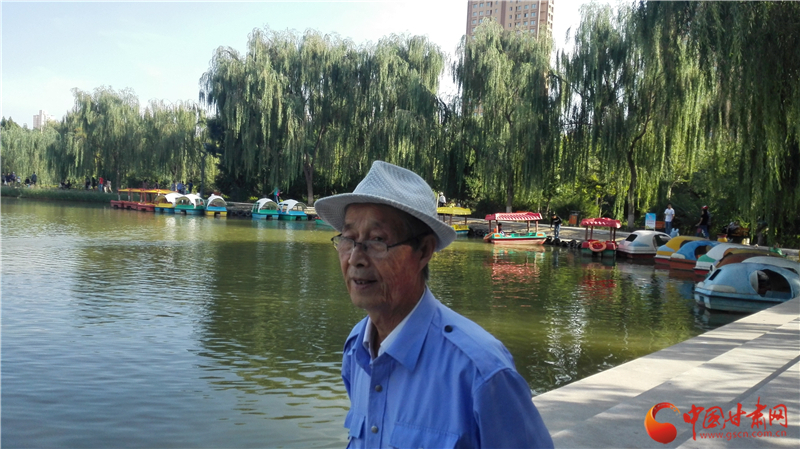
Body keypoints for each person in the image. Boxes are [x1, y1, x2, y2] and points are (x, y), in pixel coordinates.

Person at [315, 161, 553, 448]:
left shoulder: (480, 371)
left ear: (424, 251)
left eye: (377, 240)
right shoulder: (357, 349)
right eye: (349, 239)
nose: (355, 258)